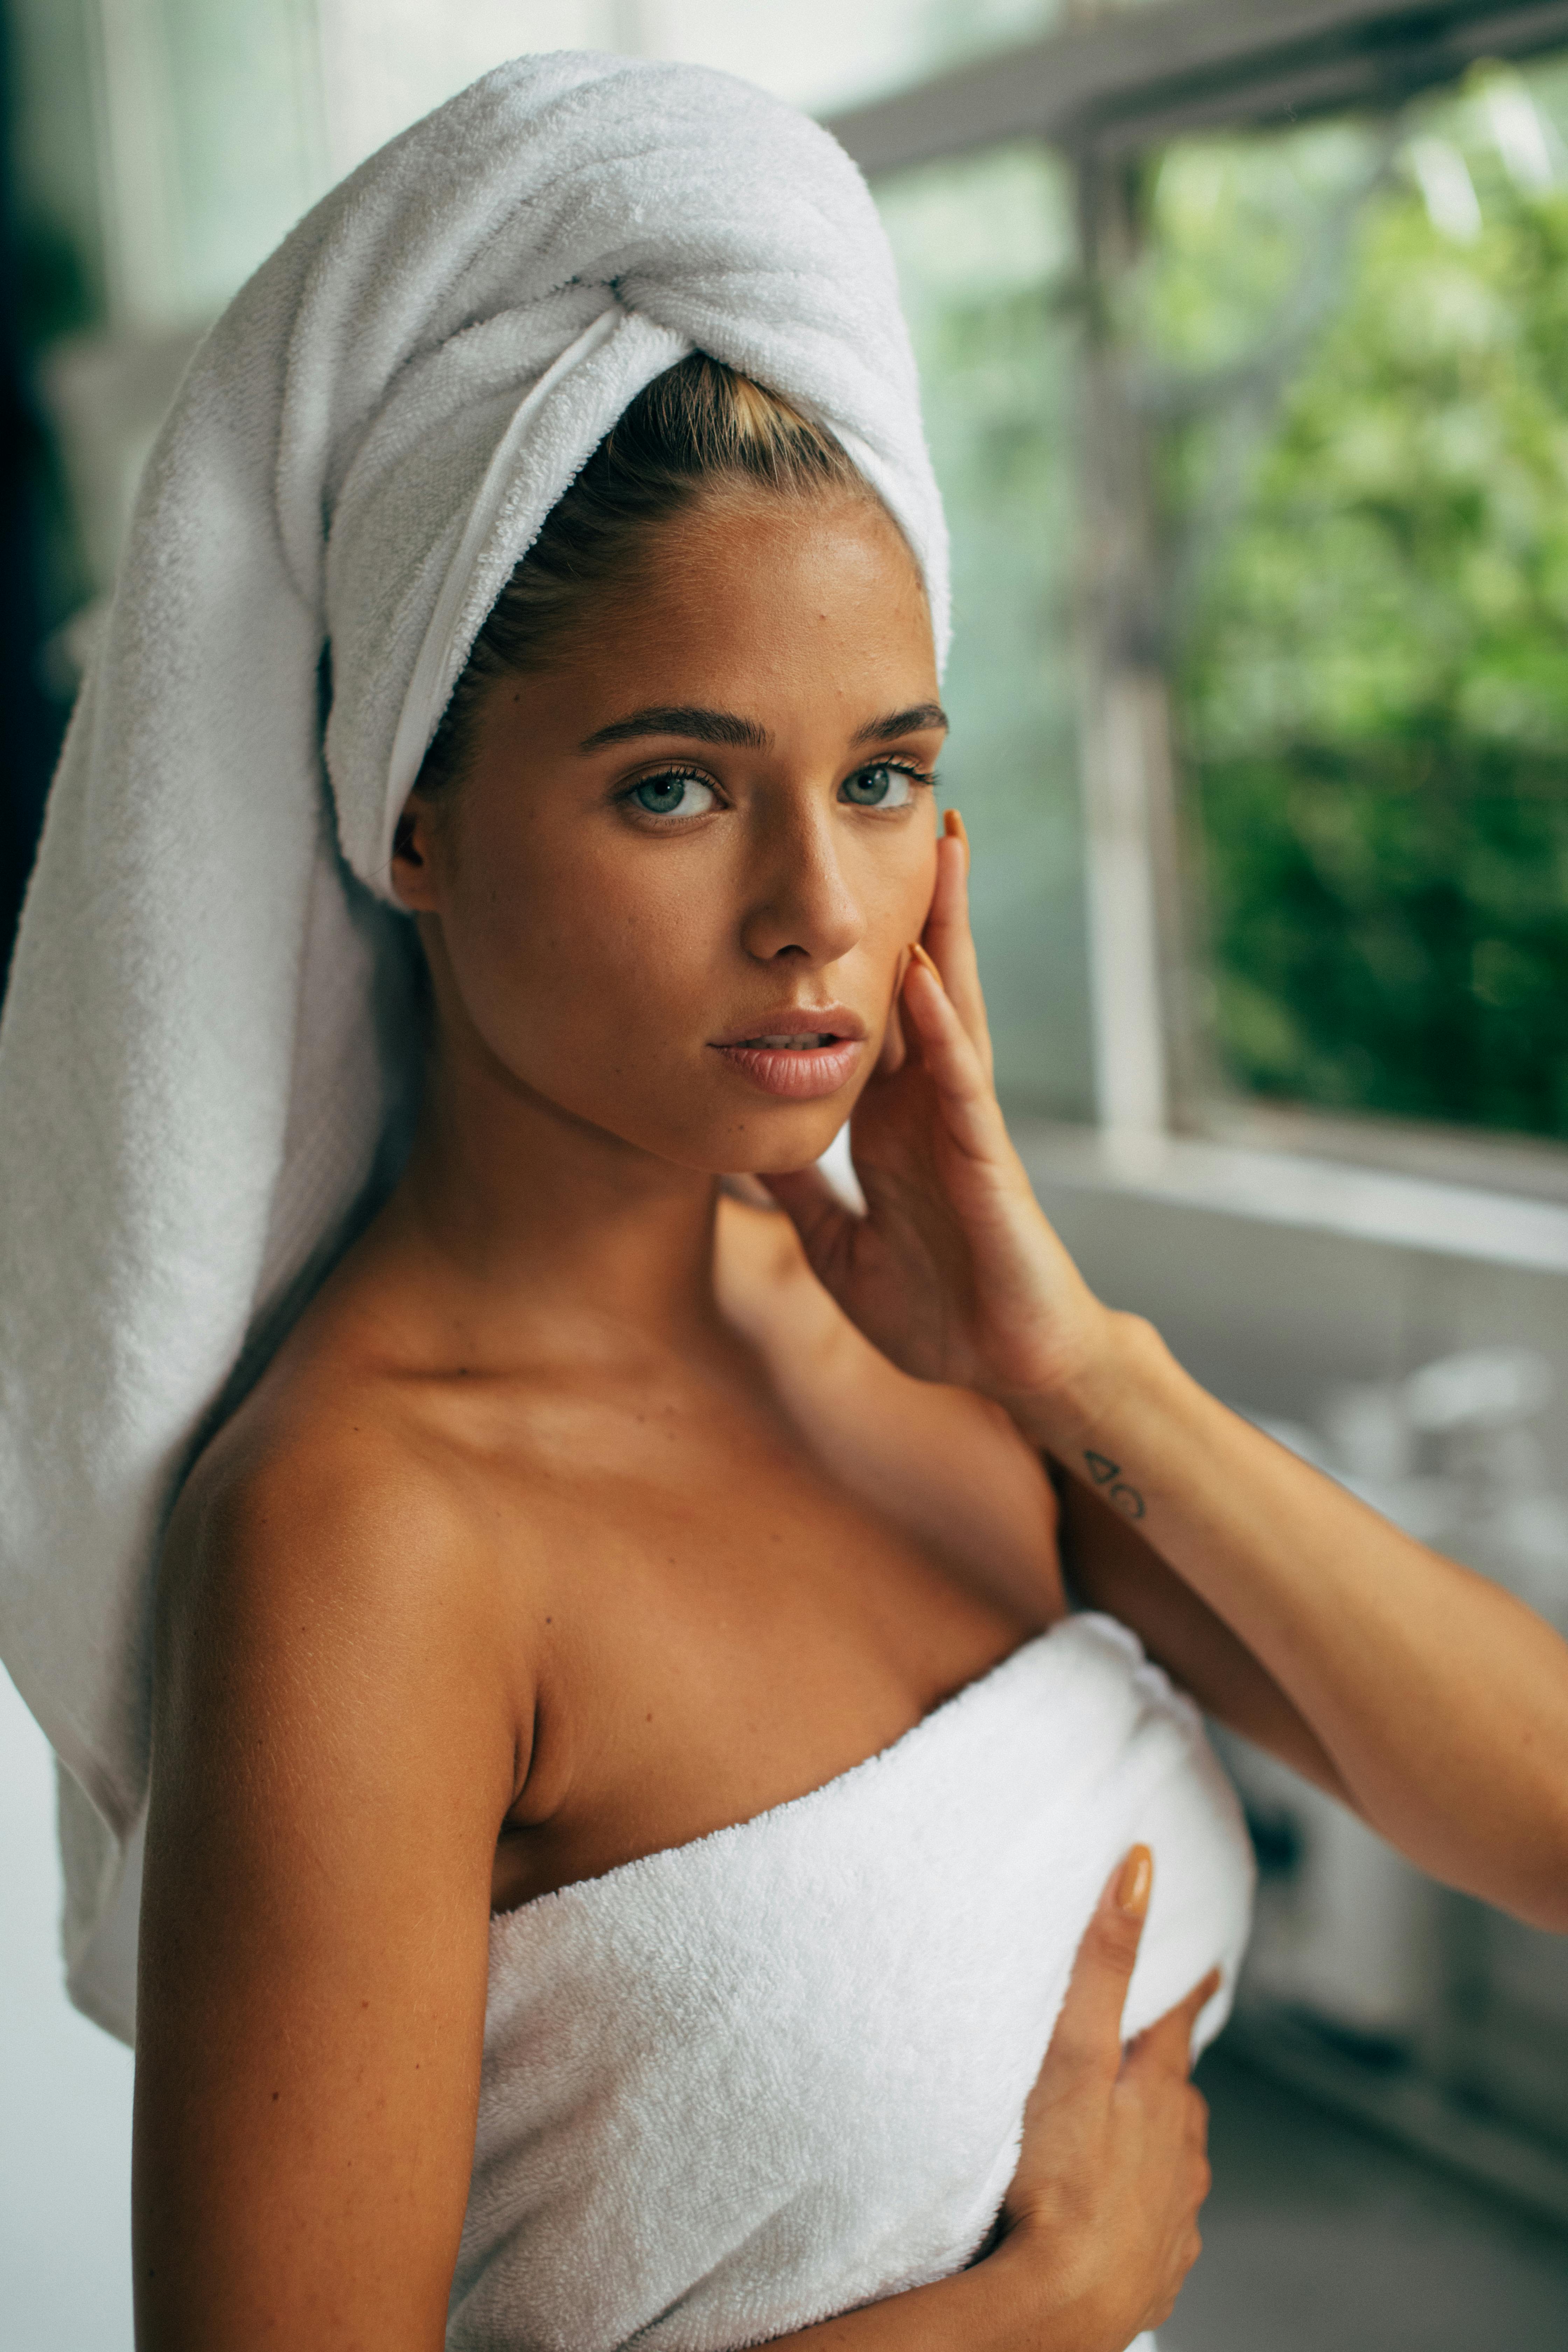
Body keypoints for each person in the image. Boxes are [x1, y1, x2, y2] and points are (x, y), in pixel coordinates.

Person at [2, 52, 1565, 2352]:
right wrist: (1031, 2316)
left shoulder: (929, 1334)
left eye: (890, 776)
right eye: (674, 787)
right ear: (407, 815)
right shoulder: (372, 1530)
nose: (820, 913)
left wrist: (1069, 1358)